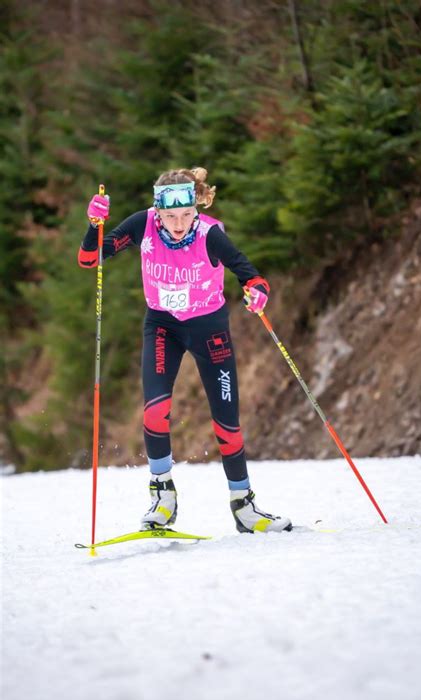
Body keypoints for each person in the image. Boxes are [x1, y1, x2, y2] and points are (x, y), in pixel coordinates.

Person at [78, 167, 292, 533]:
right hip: (163, 327)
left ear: (196, 208)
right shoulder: (141, 224)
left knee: (227, 422)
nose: (178, 224)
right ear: (157, 211)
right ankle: (163, 497)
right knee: (155, 410)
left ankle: (244, 506)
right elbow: (89, 259)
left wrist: (257, 292)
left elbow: (250, 274)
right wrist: (94, 224)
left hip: (209, 330)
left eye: (186, 215)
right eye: (170, 216)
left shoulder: (210, 234)